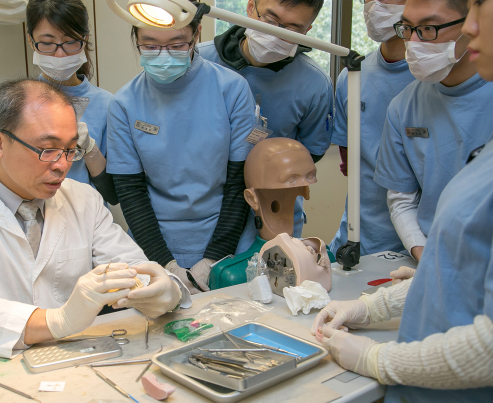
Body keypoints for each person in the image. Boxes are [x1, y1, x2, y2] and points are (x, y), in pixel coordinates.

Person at [311, 0, 493, 403]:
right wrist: (367, 308)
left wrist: (377, 359)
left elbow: (487, 348)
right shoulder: (412, 108)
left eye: (481, 11)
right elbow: (451, 274)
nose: (472, 27)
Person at [0, 79, 190, 358]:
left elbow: (132, 268)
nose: (62, 165)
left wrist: (164, 290)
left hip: (75, 363)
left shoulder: (83, 200)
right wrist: (58, 320)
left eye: (71, 150)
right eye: (48, 149)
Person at [106, 11, 256, 295]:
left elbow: (240, 184)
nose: (163, 55)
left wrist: (213, 260)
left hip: (226, 237)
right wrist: (166, 264)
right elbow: (130, 191)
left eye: (176, 45)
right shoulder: (125, 102)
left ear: (196, 34)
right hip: (153, 243)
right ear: (136, 39)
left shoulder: (232, 89)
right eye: (150, 46)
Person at [197, 0, 333, 239]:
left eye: (292, 30)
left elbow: (311, 152)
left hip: (275, 211)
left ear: (308, 31)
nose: (276, 34)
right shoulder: (199, 61)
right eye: (270, 20)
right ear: (250, 8)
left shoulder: (315, 83)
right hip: (204, 211)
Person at [373, 0, 493, 261]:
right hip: (431, 255)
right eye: (407, 28)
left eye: (428, 28)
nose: (413, 42)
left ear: (471, 27)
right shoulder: (404, 106)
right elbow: (402, 200)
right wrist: (425, 255)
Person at [329, 0, 416, 256]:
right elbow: (350, 167)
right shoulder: (352, 77)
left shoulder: (434, 81)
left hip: (414, 247)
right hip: (354, 240)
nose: (374, 5)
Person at [25, 0, 118, 205]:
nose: (60, 54)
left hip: (87, 223)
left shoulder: (107, 104)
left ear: (84, 40)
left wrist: (90, 150)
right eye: (47, 43)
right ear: (31, 41)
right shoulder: (18, 102)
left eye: (70, 42)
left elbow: (113, 195)